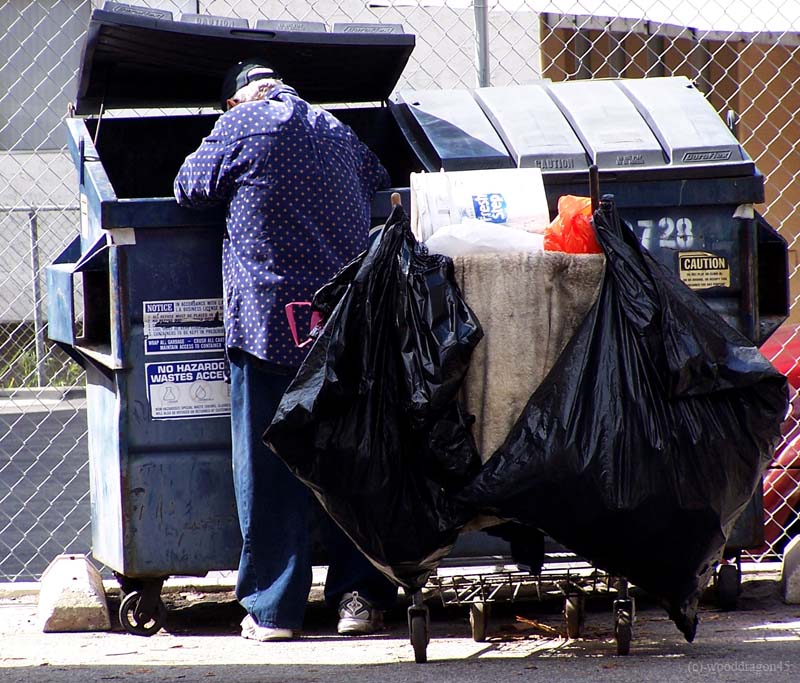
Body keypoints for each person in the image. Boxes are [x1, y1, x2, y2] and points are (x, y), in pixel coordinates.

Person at [174, 59, 398, 642]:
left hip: (271, 325)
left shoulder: (239, 126)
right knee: (349, 459)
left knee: (272, 465)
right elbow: (378, 179)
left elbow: (188, 187)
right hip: (343, 326)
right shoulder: (335, 130)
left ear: (235, 100)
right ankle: (359, 600)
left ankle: (274, 612)